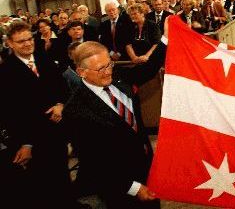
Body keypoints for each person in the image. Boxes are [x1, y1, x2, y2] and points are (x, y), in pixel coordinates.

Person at [63, 22, 168, 209]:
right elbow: (94, 162)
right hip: (120, 184)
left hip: (146, 167)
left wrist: (166, 39)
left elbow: (147, 69)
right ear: (81, 72)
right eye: (100, 69)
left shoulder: (117, 76)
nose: (108, 72)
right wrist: (133, 188)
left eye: (109, 64)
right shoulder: (76, 110)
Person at [0, 21, 78, 208]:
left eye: (29, 39)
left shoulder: (44, 58)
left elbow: (61, 87)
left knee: (62, 173)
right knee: (42, 183)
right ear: (10, 43)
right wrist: (25, 143)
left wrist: (60, 105)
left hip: (56, 129)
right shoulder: (5, 72)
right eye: (21, 42)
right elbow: (10, 114)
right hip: (32, 138)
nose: (27, 44)